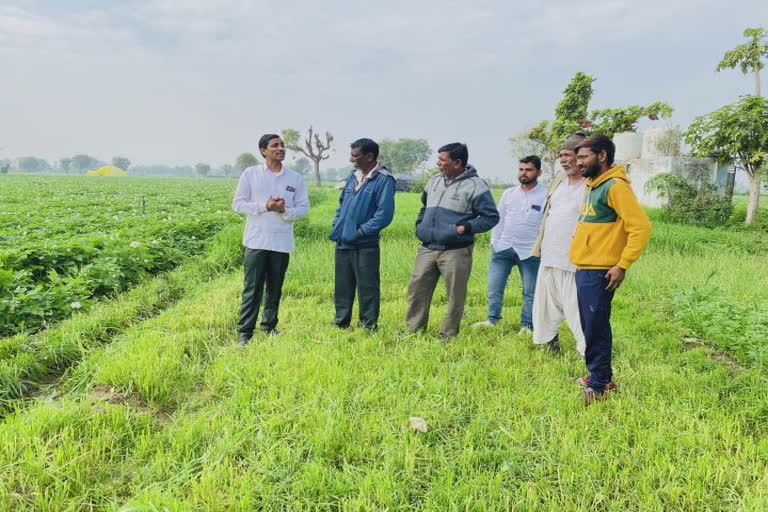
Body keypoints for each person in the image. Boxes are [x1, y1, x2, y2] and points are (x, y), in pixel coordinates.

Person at [570, 134, 651, 405]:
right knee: (590, 325)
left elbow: (640, 227)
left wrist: (622, 264)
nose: (578, 163)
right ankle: (599, 375)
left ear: (601, 155)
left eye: (583, 157)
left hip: (601, 270)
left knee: (596, 327)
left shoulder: (615, 186)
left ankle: (600, 384)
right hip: (585, 267)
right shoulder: (593, 186)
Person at [405, 142, 499, 340]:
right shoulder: (434, 181)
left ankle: (447, 335)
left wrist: (465, 228)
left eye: (442, 160)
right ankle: (413, 330)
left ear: (457, 163)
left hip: (456, 250)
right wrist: (420, 226)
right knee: (417, 289)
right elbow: (424, 206)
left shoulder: (476, 186)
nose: (438, 163)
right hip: (428, 247)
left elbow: (491, 217)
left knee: (454, 296)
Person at [232, 133, 310, 345]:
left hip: (281, 242)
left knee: (275, 287)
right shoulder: (251, 174)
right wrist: (265, 206)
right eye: (275, 145)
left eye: (282, 145)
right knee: (252, 288)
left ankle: (269, 326)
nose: (280, 148)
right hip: (256, 242)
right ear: (263, 151)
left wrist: (284, 211)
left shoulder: (295, 178)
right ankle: (245, 332)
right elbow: (238, 204)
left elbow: (303, 208)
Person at [472, 156, 546, 335]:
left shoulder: (546, 194)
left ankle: (527, 326)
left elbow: (547, 223)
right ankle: (492, 319)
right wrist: (494, 244)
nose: (524, 173)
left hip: (530, 251)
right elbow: (499, 219)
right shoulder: (509, 193)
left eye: (528, 170)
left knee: (530, 291)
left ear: (539, 172)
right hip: (503, 248)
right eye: (521, 169)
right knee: (494, 287)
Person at [530, 131, 588, 355]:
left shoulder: (591, 184)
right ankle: (548, 342)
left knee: (577, 307)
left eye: (567, 155)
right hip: (550, 254)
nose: (563, 160)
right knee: (546, 304)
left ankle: (587, 350)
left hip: (576, 258)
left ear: (580, 156)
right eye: (560, 155)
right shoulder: (559, 180)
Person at [329, 138, 396, 331]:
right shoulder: (352, 176)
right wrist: (337, 225)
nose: (352, 159)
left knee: (367, 287)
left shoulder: (384, 180)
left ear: (369, 157)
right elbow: (341, 205)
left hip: (365, 244)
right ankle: (340, 322)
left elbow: (384, 215)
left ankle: (368, 326)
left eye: (355, 156)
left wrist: (360, 232)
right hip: (343, 241)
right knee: (342, 285)